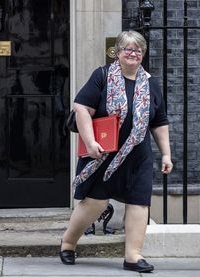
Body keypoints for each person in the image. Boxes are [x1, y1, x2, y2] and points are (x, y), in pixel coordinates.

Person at [60, 30, 173, 273]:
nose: (132, 53)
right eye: (127, 49)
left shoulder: (151, 83)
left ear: (142, 54)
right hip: (103, 153)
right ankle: (68, 242)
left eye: (138, 50)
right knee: (95, 203)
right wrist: (90, 143)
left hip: (138, 155)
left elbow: (160, 121)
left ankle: (133, 256)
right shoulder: (102, 76)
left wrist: (166, 154)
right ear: (117, 53)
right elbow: (81, 109)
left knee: (139, 202)